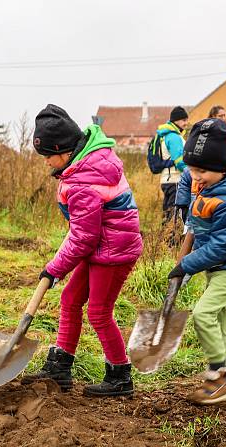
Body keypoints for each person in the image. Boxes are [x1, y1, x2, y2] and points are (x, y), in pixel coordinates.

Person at [27, 104, 143, 397]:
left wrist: (54, 269)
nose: (45, 162)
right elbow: (82, 232)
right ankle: (60, 368)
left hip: (114, 251)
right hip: (101, 246)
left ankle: (120, 376)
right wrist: (57, 267)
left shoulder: (83, 182)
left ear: (64, 150)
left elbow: (83, 237)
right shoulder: (85, 163)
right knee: (69, 299)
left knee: (99, 312)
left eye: (47, 156)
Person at [167, 118, 226, 405]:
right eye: (193, 168)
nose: (196, 176)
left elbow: (222, 247)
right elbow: (187, 177)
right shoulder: (206, 173)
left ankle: (218, 376)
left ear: (222, 168)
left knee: (204, 314)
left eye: (202, 172)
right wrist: (186, 201)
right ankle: (225, 371)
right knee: (218, 316)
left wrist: (186, 265)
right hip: (215, 259)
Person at [156, 106, 189, 223]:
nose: (186, 123)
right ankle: (171, 240)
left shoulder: (168, 135)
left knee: (168, 213)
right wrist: (192, 174)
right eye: (184, 120)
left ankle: (166, 238)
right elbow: (180, 162)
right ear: (176, 121)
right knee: (173, 216)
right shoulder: (174, 137)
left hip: (168, 179)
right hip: (174, 179)